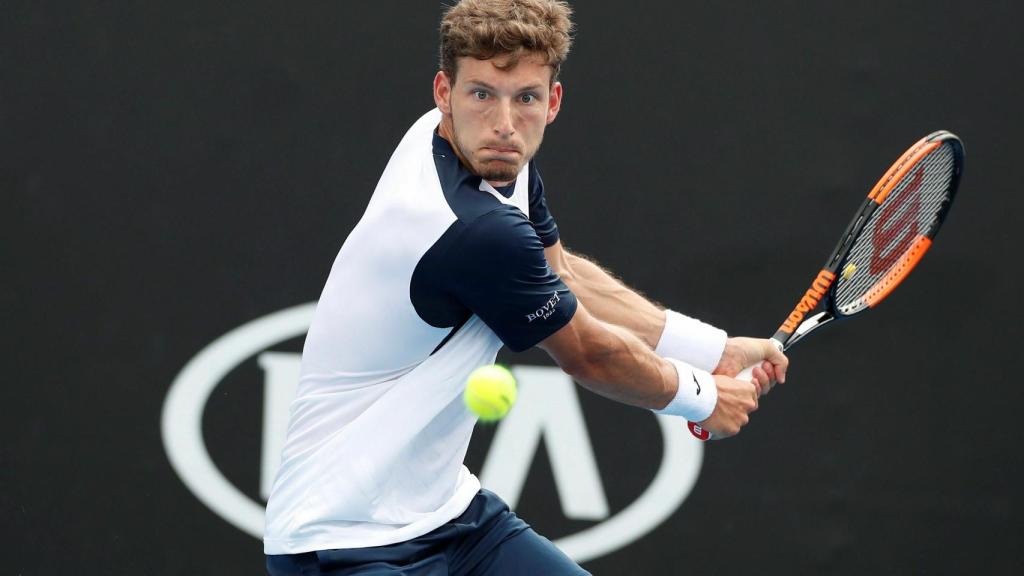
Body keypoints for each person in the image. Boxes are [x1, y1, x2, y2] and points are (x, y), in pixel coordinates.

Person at [264, 1, 788, 574]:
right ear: (444, 91)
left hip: (451, 519)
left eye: (526, 98)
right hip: (341, 542)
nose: (505, 124)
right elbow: (591, 354)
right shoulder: (471, 226)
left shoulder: (483, 158)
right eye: (482, 94)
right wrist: (704, 397)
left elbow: (561, 274)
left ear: (553, 102)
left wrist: (713, 350)